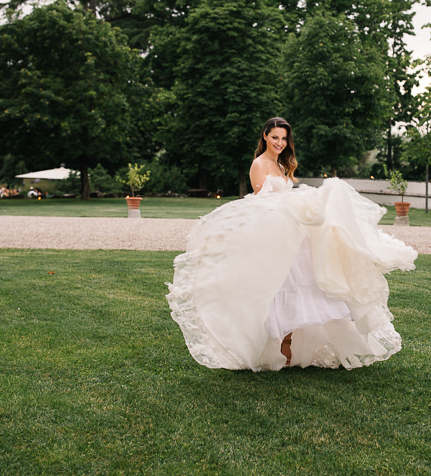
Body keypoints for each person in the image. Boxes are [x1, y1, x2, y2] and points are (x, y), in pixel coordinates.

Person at [167, 117, 417, 371]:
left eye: (284, 138)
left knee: (305, 289)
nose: (279, 143)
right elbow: (262, 204)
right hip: (275, 235)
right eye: (275, 137)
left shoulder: (281, 166)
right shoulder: (259, 164)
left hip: (295, 233)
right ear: (265, 136)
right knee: (281, 289)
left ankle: (294, 346)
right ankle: (280, 346)